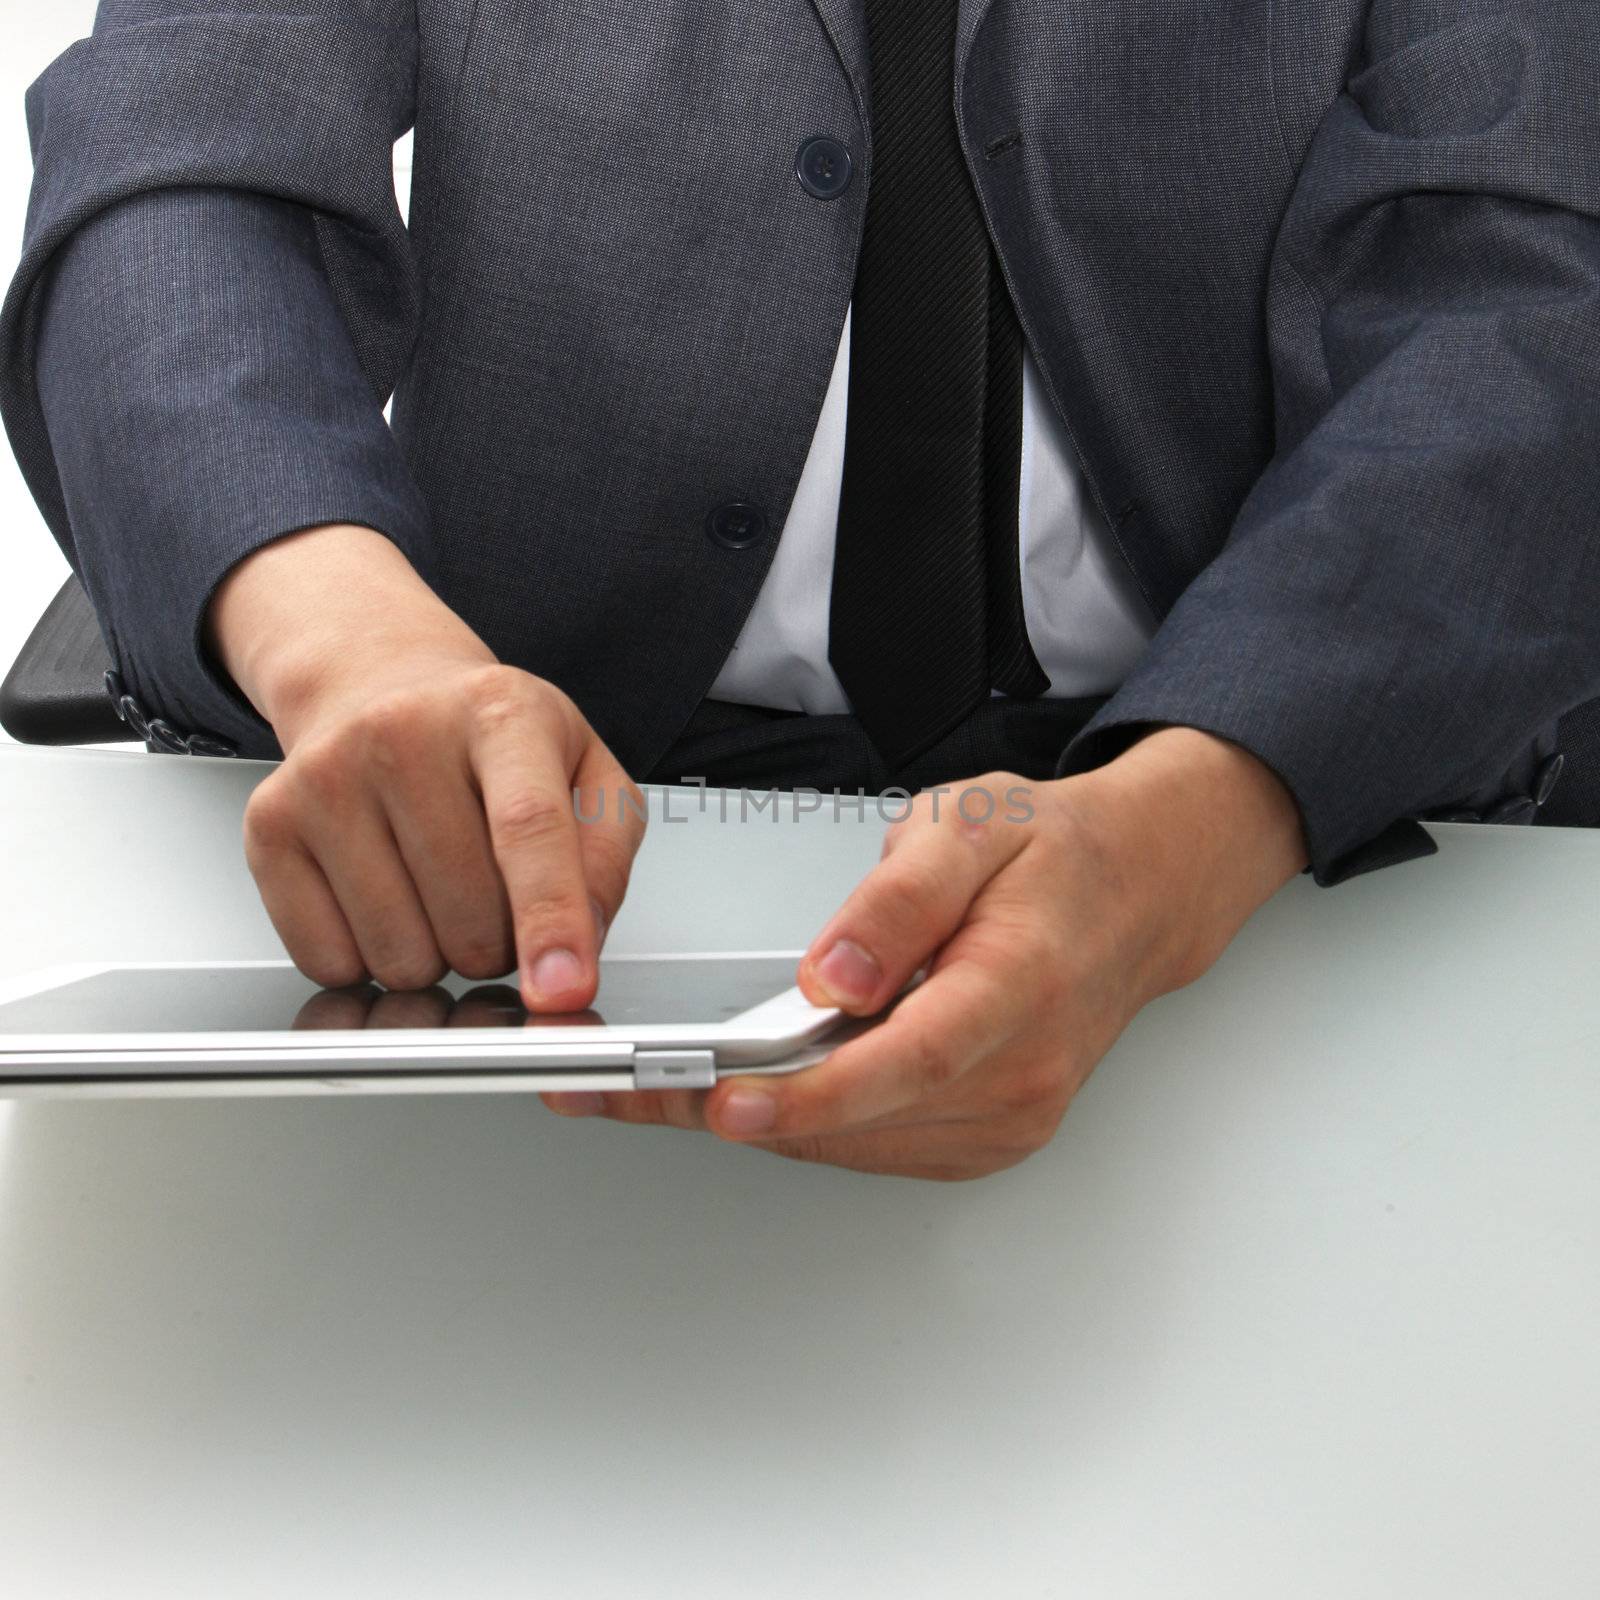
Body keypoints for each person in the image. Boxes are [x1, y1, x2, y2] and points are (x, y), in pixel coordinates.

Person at [3, 1, 1596, 1180]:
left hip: (1251, 823)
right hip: (545, 825)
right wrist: (345, 641)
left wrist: (1196, 821)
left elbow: (1526, 305)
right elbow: (176, 174)